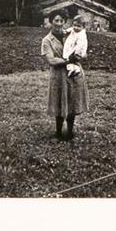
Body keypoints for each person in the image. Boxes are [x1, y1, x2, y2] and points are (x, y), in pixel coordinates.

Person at [41, 13, 87, 141]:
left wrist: (80, 55)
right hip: (58, 76)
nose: (59, 23)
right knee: (59, 103)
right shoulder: (47, 40)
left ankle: (70, 132)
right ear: (51, 21)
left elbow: (84, 53)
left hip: (73, 74)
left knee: (72, 103)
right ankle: (58, 133)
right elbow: (51, 60)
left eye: (61, 20)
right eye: (56, 20)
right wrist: (68, 60)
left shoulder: (72, 34)